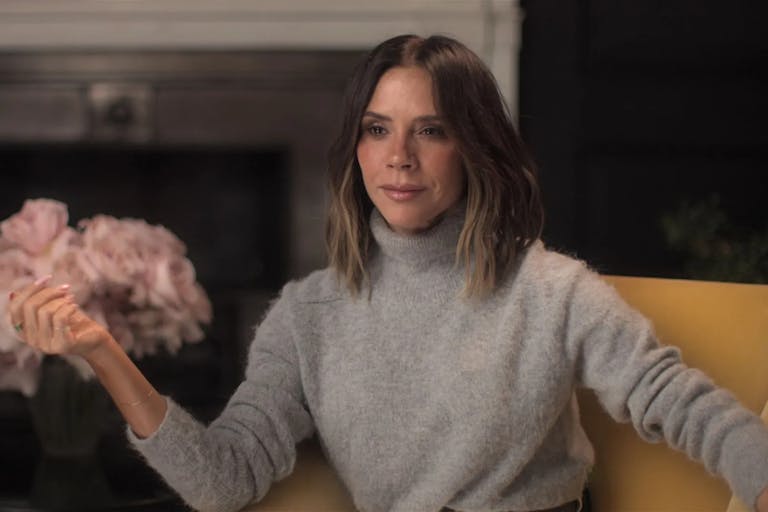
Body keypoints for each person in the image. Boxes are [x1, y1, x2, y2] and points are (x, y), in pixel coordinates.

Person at [7, 34, 768, 512]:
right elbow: (222, 481)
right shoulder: (308, 315)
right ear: (357, 149)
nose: (399, 157)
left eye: (430, 130)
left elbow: (676, 400)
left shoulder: (553, 293)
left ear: (474, 149)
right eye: (378, 130)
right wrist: (103, 353)